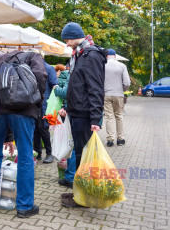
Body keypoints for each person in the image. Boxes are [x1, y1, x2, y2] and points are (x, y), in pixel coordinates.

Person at [0, 50, 47, 218]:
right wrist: (36, 99)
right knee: (25, 156)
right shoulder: (34, 56)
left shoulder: (2, 62)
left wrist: (8, 137)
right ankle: (24, 206)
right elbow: (40, 76)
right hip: (23, 109)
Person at [58, 23, 107, 208]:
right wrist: (67, 107)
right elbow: (76, 85)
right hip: (77, 111)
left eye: (67, 39)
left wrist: (95, 118)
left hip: (85, 114)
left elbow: (95, 88)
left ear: (74, 36)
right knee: (80, 155)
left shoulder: (91, 55)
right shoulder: (80, 54)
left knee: (83, 156)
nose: (66, 43)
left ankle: (83, 198)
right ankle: (79, 193)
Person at [53, 64, 76, 190]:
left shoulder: (71, 75)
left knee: (75, 146)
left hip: (75, 113)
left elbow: (65, 93)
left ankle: (71, 176)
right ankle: (71, 175)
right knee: (76, 146)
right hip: (81, 113)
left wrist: (56, 88)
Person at [33, 50, 58, 164]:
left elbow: (54, 85)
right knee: (35, 129)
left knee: (43, 128)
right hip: (35, 102)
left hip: (45, 103)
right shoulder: (31, 67)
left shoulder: (48, 68)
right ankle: (37, 153)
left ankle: (49, 153)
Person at [104, 49, 131, 147]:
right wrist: (123, 90)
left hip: (106, 94)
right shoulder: (122, 66)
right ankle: (120, 139)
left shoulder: (103, 65)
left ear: (107, 56)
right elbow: (127, 82)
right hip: (119, 94)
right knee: (119, 116)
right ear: (115, 56)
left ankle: (110, 140)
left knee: (109, 117)